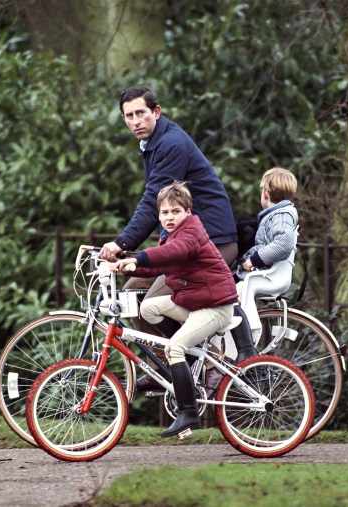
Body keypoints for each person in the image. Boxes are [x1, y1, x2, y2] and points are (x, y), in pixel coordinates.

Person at [101, 86, 238, 391]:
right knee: (133, 289)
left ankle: (204, 360)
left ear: (156, 112)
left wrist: (123, 244)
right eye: (129, 116)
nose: (135, 120)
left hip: (211, 242)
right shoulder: (154, 143)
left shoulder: (171, 143)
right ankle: (165, 365)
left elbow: (153, 201)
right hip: (185, 245)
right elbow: (160, 206)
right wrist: (133, 257)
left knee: (152, 301)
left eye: (141, 113)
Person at [107, 182, 257, 437]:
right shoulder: (171, 235)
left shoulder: (191, 232)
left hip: (214, 307)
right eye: (164, 213)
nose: (169, 217)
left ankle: (188, 413)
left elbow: (174, 252)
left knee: (172, 348)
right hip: (195, 302)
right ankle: (188, 355)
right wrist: (128, 265)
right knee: (149, 308)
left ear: (187, 212)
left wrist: (139, 257)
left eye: (175, 211)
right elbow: (160, 266)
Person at [236, 167, 299, 340]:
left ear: (265, 192)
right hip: (264, 273)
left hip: (267, 275)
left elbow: (283, 243)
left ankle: (248, 336)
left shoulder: (282, 215)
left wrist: (253, 260)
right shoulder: (277, 214)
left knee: (233, 296)